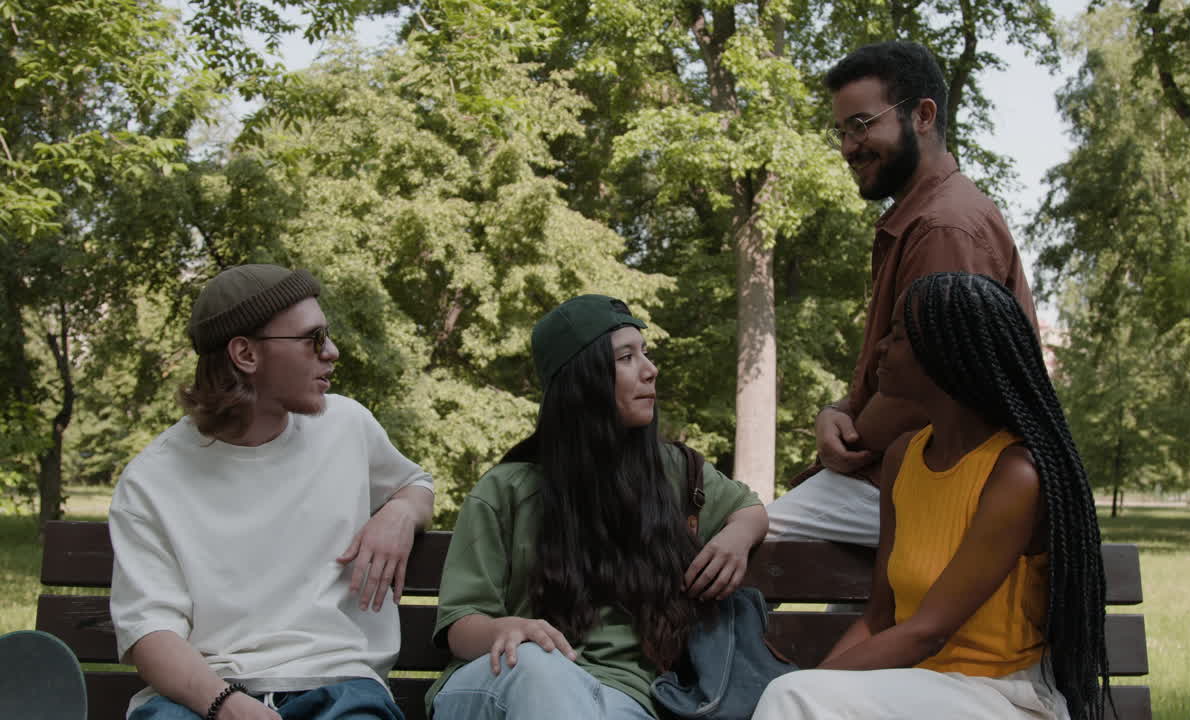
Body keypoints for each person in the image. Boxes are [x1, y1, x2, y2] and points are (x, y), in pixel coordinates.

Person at [753, 272, 1109, 720]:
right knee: (797, 696)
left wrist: (804, 690)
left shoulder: (1015, 475)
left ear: (945, 356)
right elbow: (878, 619)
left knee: (792, 697)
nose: (881, 346)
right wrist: (815, 685)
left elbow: (928, 631)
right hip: (914, 692)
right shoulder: (904, 458)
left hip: (1003, 699)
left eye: (898, 336)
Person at [109, 264, 436, 720]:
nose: (333, 352)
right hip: (203, 695)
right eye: (313, 339)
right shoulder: (152, 480)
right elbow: (150, 633)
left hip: (339, 687)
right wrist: (228, 705)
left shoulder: (347, 425)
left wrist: (401, 512)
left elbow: (415, 485)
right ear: (245, 354)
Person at [424, 294, 768, 719]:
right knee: (537, 666)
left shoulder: (673, 474)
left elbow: (748, 509)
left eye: (645, 353)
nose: (650, 369)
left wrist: (738, 535)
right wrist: (508, 629)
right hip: (500, 683)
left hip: (622, 700)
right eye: (626, 357)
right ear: (581, 383)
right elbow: (460, 623)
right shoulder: (506, 490)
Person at [767, 41, 1039, 547]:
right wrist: (838, 413)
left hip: (942, 481)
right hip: (898, 475)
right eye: (842, 131)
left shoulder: (945, 227)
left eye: (863, 124)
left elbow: (923, 393)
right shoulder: (922, 219)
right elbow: (893, 372)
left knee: (737, 546)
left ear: (922, 115)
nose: (848, 146)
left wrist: (841, 448)